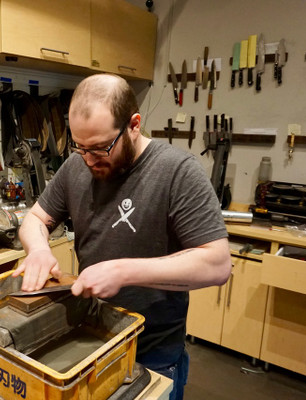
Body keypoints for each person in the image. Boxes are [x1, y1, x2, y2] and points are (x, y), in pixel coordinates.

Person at [12, 73, 231, 400]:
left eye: (100, 148)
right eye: (80, 147)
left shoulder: (177, 171)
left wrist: (124, 272)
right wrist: (39, 248)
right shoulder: (76, 166)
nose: (89, 160)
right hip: (90, 339)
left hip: (152, 351)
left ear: (134, 124)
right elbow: (35, 219)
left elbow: (217, 265)